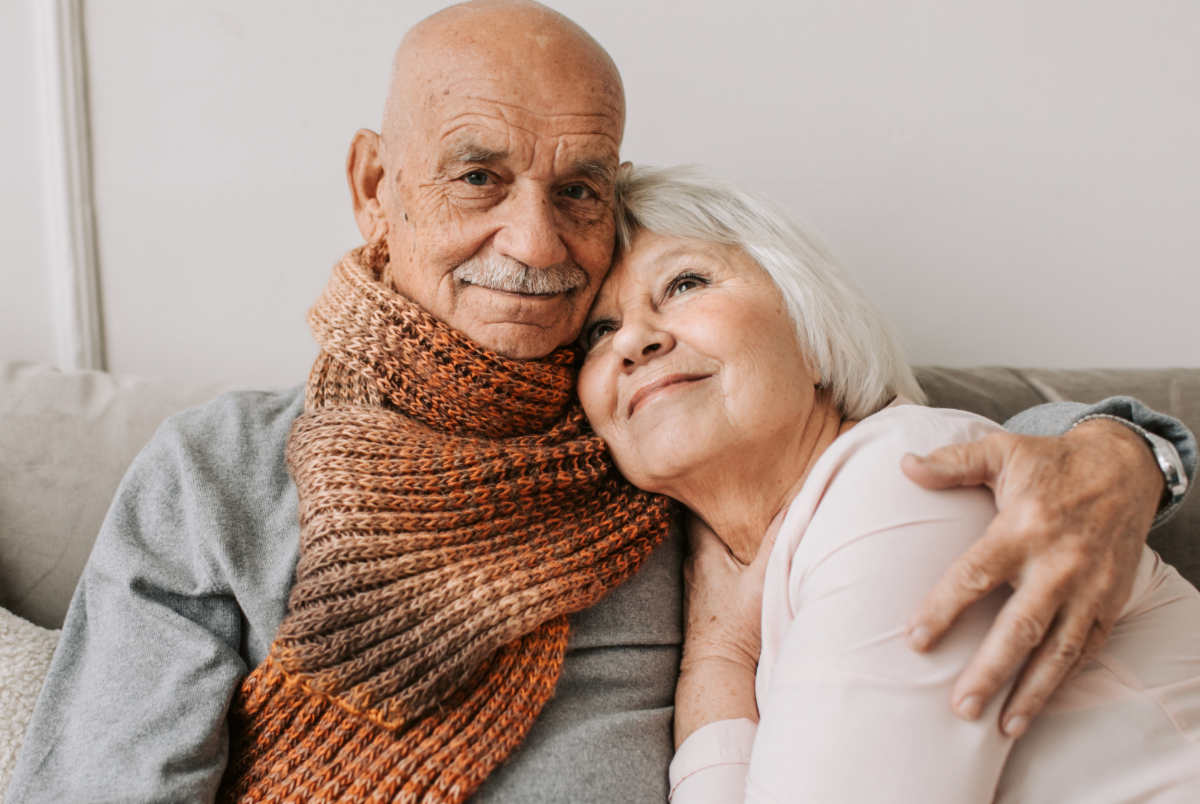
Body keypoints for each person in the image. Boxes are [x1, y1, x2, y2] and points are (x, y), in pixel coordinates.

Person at [7, 2, 1195, 802]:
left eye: (579, 191)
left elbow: (912, 460)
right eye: (479, 177)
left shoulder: (651, 437)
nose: (535, 243)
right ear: (377, 186)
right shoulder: (216, 472)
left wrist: (1117, 450)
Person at [576, 164, 1200, 803]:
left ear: (813, 332)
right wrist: (720, 654)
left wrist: (720, 657)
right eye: (599, 331)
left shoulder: (908, 473)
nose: (634, 340)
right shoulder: (760, 575)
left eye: (685, 283)